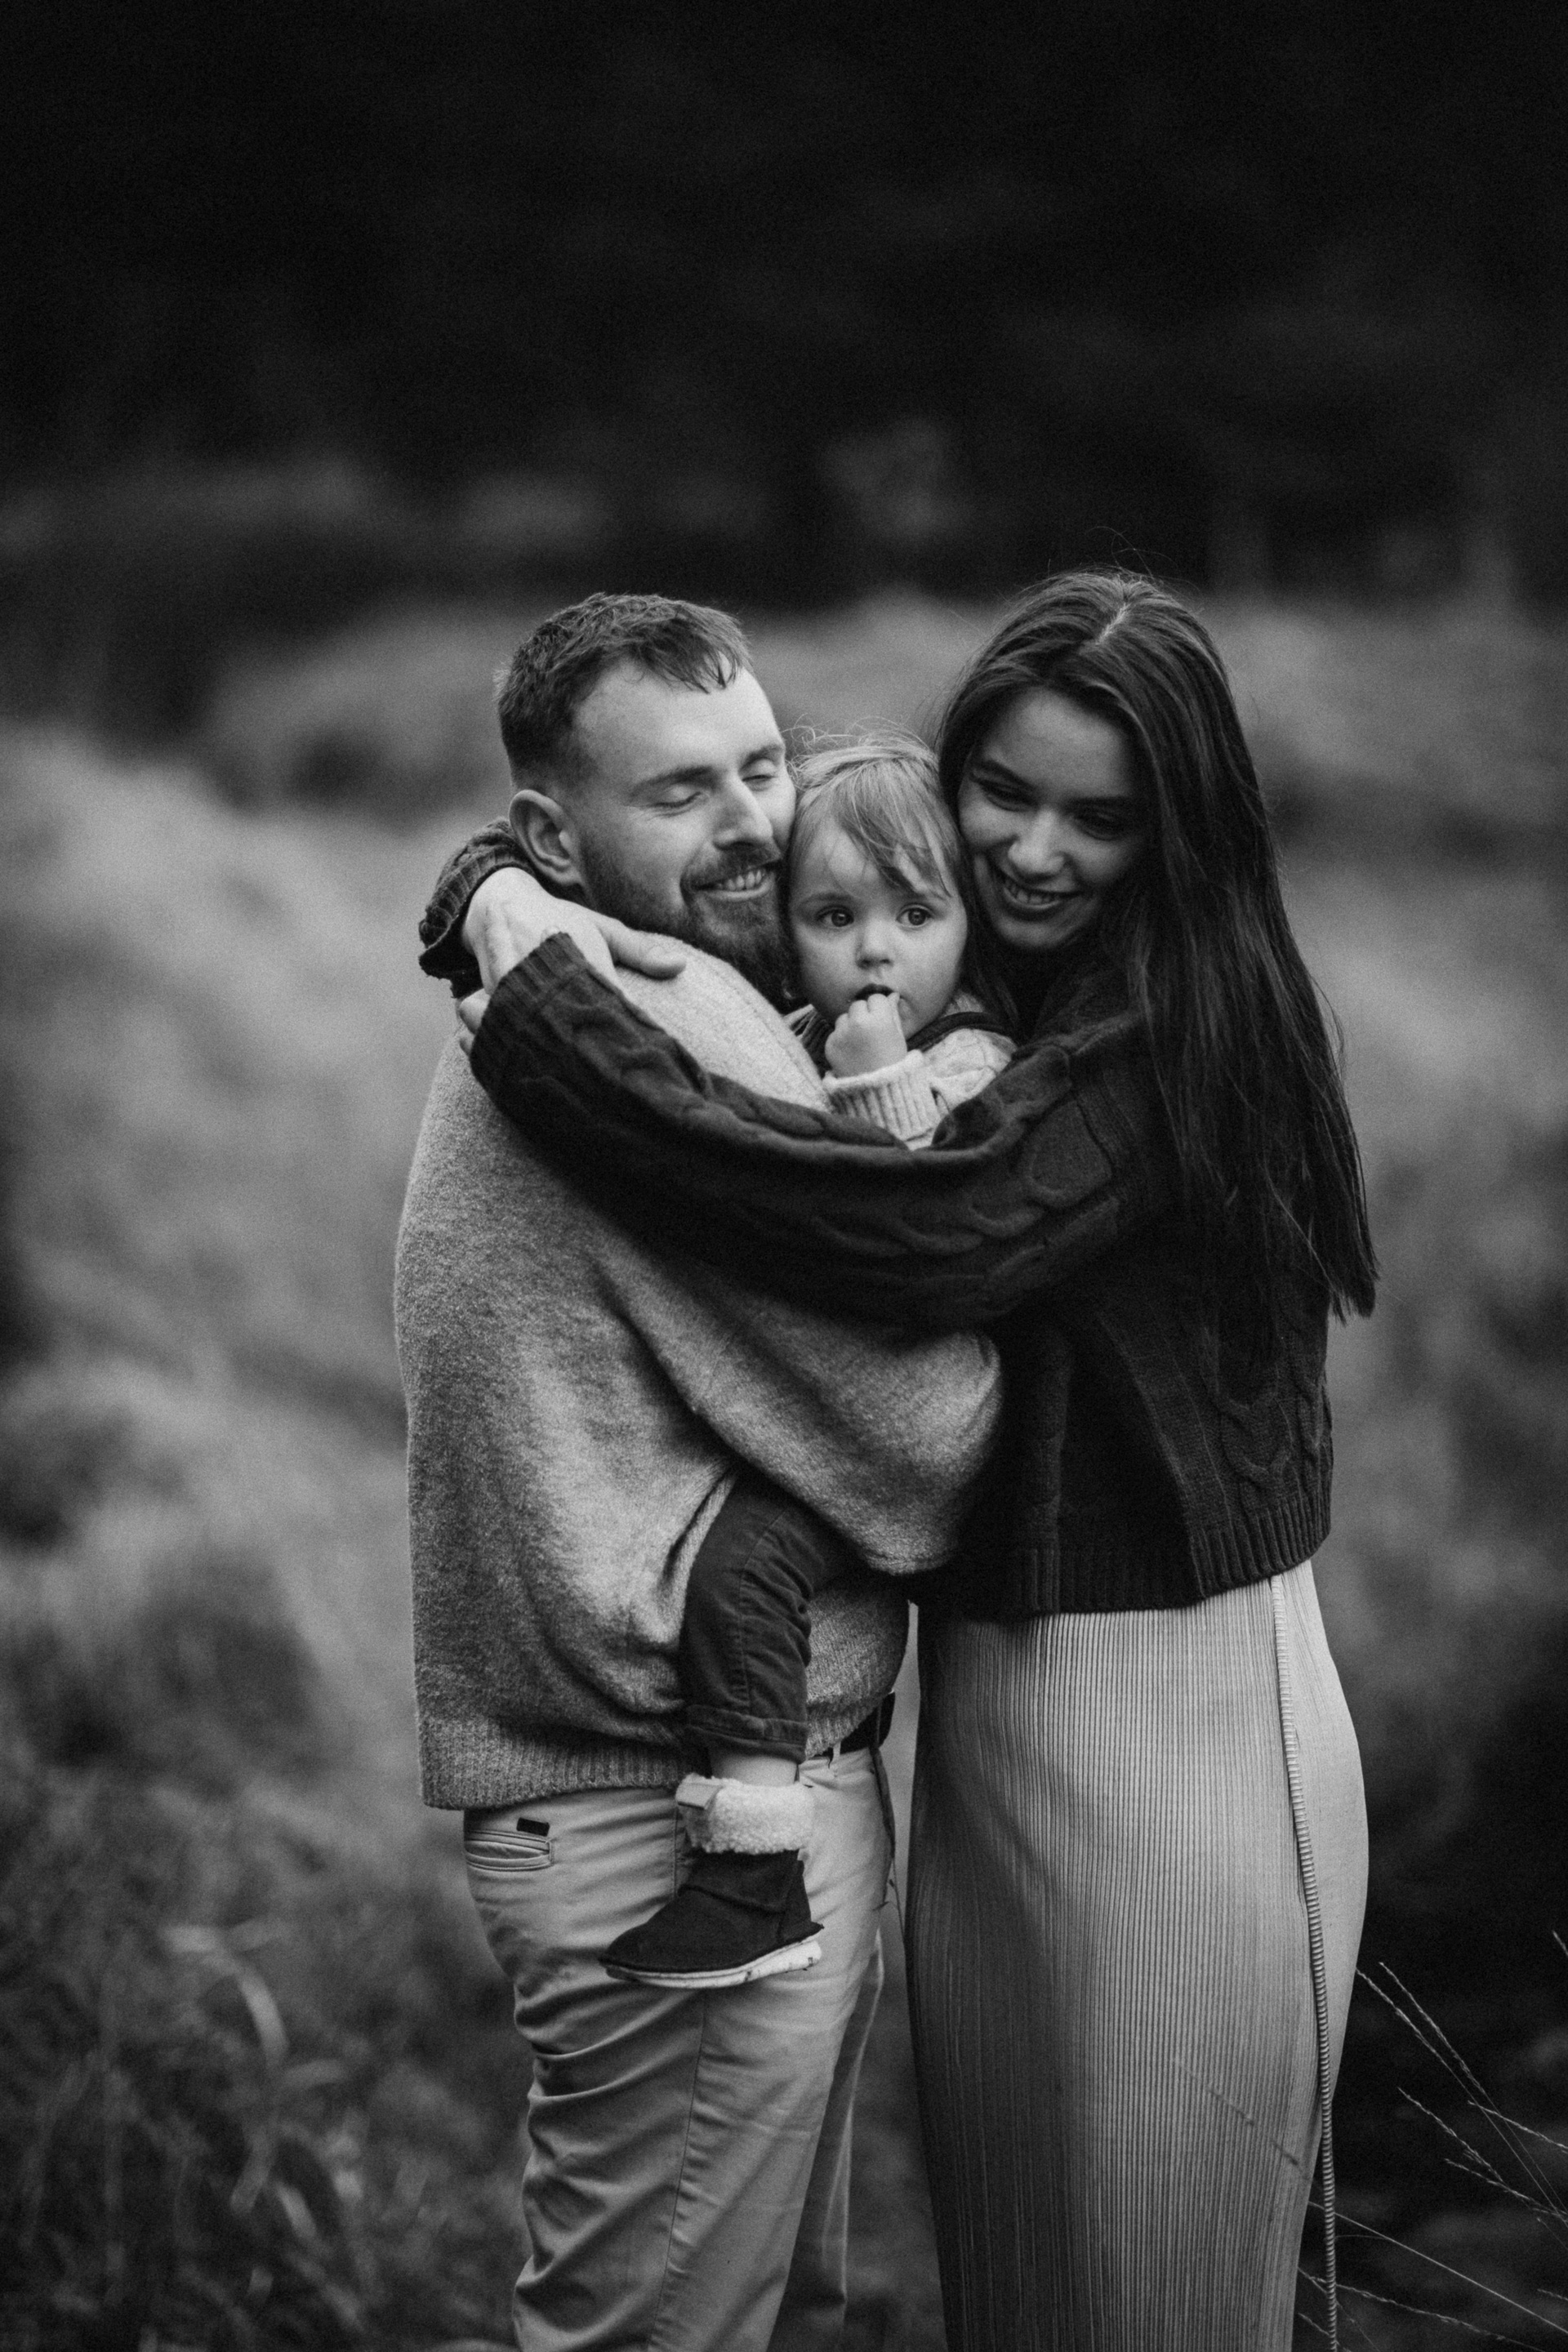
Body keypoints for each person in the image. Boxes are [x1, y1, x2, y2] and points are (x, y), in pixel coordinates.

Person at [426, 571, 1376, 2352]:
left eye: (1101, 818)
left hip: (1167, 1711)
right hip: (999, 1719)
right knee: (1024, 2285)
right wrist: (503, 882)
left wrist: (534, 987)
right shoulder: (963, 977)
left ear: (1179, 832)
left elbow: (927, 1239)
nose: (1034, 851)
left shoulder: (1161, 1028)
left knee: (1153, 2294)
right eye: (1000, 793)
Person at [394, 592, 1004, 2351]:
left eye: (759, 764)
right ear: (551, 836)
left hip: (656, 1807)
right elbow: (927, 1443)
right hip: (672, 1825)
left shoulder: (577, 989)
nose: (750, 823)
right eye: (679, 792)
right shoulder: (657, 1026)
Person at [599, 733, 1015, 1990]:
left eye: (915, 915)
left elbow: (910, 1226)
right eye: (835, 917)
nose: (875, 951)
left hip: (914, 1420)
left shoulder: (975, 1063)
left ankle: (752, 1871)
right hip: (820, 1401)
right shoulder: (787, 1030)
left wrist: (876, 1084)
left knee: (745, 1569)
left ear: (971, 925)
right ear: (787, 927)